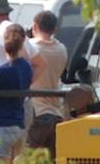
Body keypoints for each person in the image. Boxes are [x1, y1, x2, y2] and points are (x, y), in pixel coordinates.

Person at [0, 23, 34, 164]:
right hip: (19, 124)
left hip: (0, 124)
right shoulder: (27, 68)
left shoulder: (2, 71)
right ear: (22, 43)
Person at [25, 10, 70, 139]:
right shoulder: (62, 49)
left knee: (29, 157)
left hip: (36, 112)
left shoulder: (30, 47)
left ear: (35, 26)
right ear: (54, 29)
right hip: (57, 112)